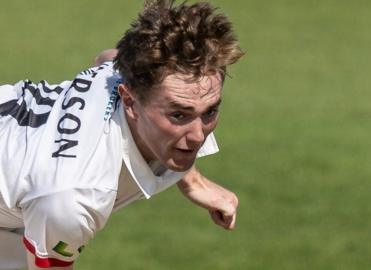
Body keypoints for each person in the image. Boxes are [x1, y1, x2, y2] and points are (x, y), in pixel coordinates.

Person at [0, 0, 244, 269]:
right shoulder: (75, 197)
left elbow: (107, 58)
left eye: (210, 112)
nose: (198, 136)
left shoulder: (129, 72)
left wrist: (193, 182)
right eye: (178, 115)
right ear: (129, 101)